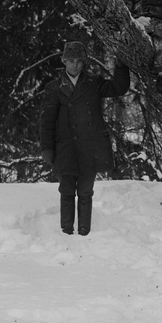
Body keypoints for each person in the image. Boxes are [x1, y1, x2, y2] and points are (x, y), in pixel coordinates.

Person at [38, 41, 131, 236]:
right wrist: (47, 147)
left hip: (90, 147)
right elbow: (46, 120)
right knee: (66, 190)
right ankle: (66, 231)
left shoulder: (94, 83)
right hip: (64, 147)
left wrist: (121, 66)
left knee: (86, 191)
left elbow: (119, 88)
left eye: (79, 61)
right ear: (64, 61)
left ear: (84, 63)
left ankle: (84, 231)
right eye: (70, 60)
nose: (74, 65)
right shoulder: (53, 88)